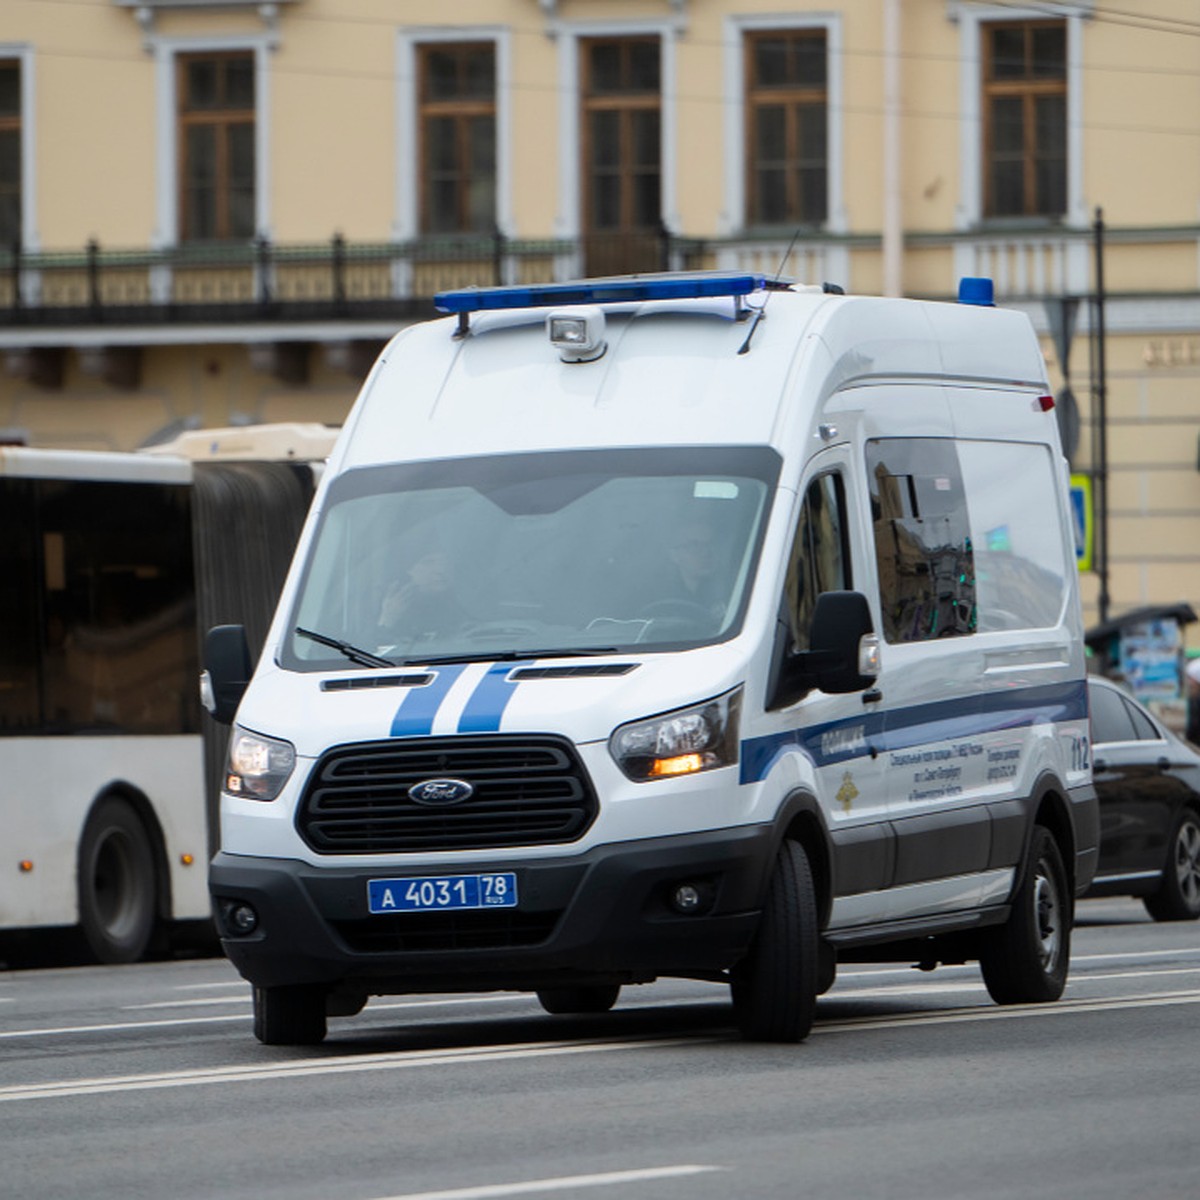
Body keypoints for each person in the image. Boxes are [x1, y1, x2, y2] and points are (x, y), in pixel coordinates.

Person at [377, 549, 469, 641]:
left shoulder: (466, 603)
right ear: (409, 569)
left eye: (445, 562)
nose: (441, 569)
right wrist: (388, 619)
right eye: (428, 562)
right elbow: (375, 647)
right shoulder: (383, 606)